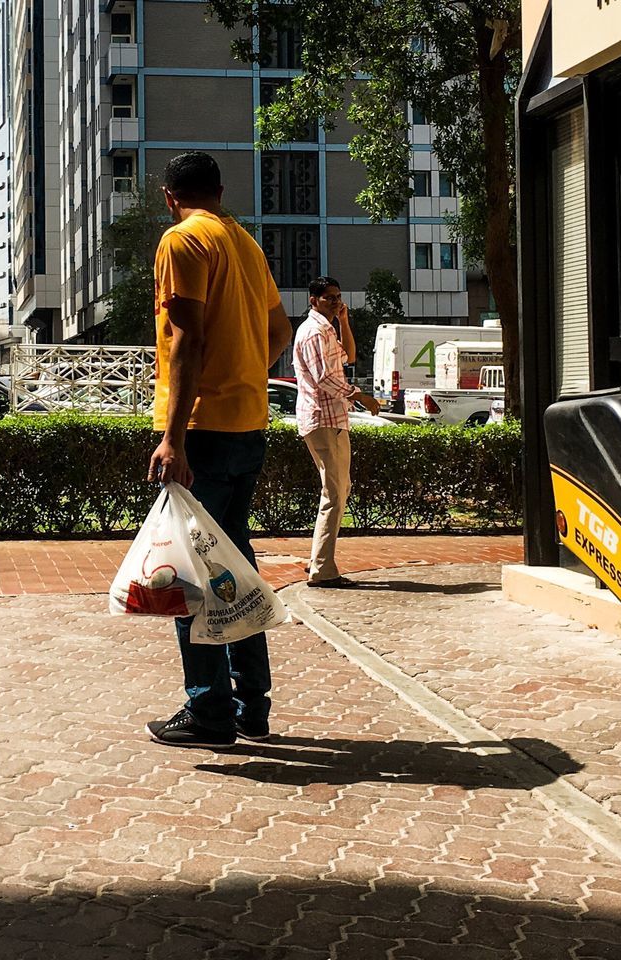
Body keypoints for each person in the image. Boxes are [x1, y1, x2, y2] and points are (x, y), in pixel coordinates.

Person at [145, 151, 292, 750]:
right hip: (247, 424)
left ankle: (208, 711)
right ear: (221, 191)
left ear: (168, 195)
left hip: (201, 431)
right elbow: (280, 330)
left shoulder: (182, 241)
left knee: (190, 572)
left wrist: (172, 437)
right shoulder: (245, 244)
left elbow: (186, 340)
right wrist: (246, 373)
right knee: (235, 567)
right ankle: (250, 704)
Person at [293, 276, 379, 586]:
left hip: (329, 420)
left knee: (339, 490)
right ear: (312, 300)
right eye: (328, 297)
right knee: (334, 494)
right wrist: (362, 396)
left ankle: (318, 559)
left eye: (338, 296)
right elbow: (324, 380)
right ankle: (322, 569)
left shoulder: (326, 329)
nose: (335, 301)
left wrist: (344, 321)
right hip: (324, 419)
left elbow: (350, 358)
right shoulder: (315, 332)